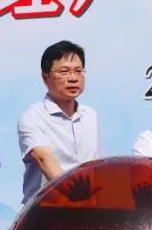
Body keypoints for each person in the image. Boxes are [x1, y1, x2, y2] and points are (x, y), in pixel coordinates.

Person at [18, 40, 104, 203]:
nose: (73, 78)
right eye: (64, 72)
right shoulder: (33, 116)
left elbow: (98, 165)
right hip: (46, 209)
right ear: (45, 77)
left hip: (89, 208)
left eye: (78, 71)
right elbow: (43, 159)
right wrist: (75, 195)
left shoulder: (91, 116)